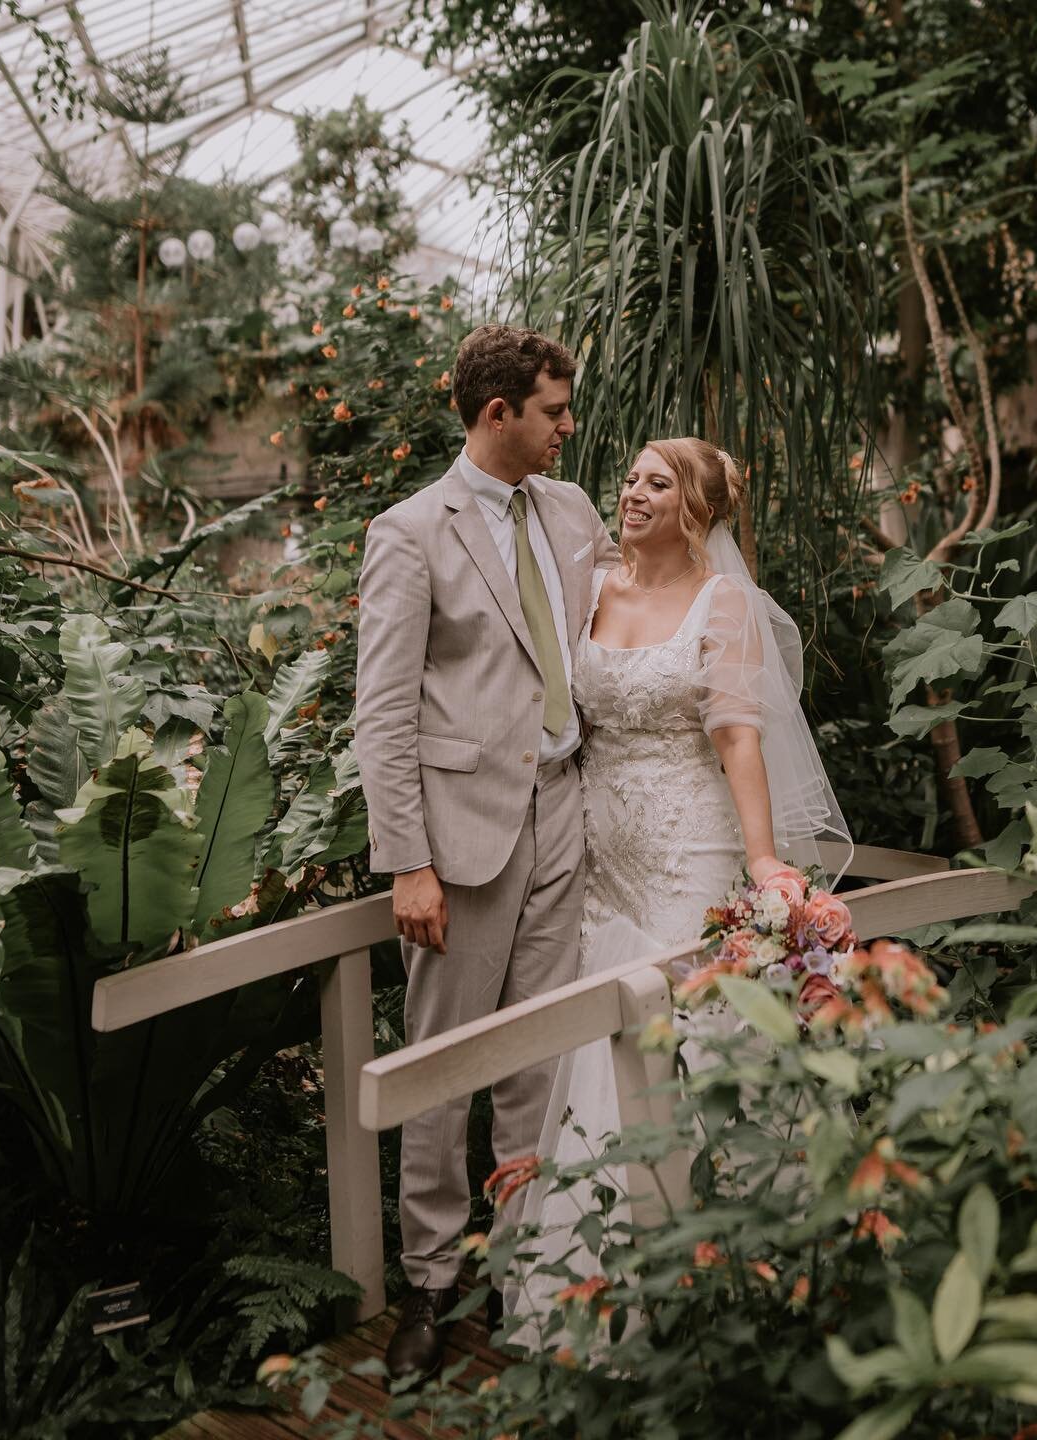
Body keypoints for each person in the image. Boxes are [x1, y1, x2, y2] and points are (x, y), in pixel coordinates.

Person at [505, 436, 850, 1332]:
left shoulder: (723, 602)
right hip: (594, 853)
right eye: (629, 479)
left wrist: (767, 858)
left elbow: (737, 735)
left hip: (687, 849)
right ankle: (609, 1294)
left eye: (656, 483)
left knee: (683, 1037)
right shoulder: (593, 587)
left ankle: (720, 1269)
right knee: (598, 1040)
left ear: (697, 508)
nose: (631, 493)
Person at [354, 324, 618, 1381]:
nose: (569, 427)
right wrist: (406, 861)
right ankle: (428, 1283)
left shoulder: (575, 510)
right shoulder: (410, 532)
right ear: (495, 413)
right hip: (458, 843)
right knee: (442, 1066)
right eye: (554, 411)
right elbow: (383, 712)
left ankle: (523, 1273)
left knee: (540, 1061)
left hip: (567, 811)